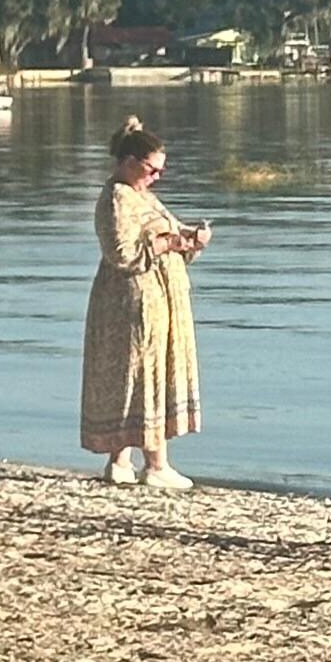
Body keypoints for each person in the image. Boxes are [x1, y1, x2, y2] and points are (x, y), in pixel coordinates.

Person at [81, 117, 209, 489]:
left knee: (134, 377)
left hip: (152, 299)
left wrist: (189, 241)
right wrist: (169, 243)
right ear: (129, 161)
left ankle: (119, 461)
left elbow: (164, 234)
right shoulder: (118, 197)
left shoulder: (141, 196)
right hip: (132, 302)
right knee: (145, 376)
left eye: (160, 171)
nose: (157, 177)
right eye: (152, 169)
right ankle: (156, 464)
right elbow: (122, 254)